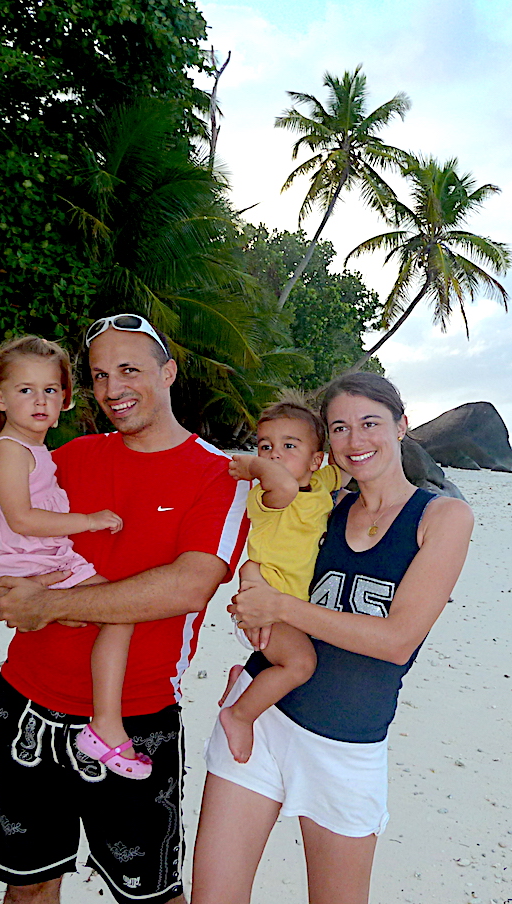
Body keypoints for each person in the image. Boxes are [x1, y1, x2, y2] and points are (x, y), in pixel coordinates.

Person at [0, 314, 248, 904]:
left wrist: (51, 602)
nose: (113, 388)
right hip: (27, 705)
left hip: (135, 721)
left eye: (129, 370)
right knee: (27, 889)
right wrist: (2, 592)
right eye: (99, 376)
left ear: (168, 372)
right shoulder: (70, 456)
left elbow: (188, 586)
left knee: (150, 897)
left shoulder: (217, 476)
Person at [191, 372, 474, 904]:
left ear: (402, 426)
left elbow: (396, 641)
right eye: (340, 428)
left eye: (370, 423)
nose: (355, 440)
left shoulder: (441, 517)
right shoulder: (324, 504)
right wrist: (253, 587)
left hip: (346, 745)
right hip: (262, 719)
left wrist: (278, 606)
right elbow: (267, 547)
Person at [0, 335, 150, 780]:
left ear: (64, 398)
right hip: (27, 555)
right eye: (25, 390)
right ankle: (105, 725)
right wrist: (89, 521)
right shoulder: (10, 452)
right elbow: (22, 519)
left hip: (34, 556)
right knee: (118, 611)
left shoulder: (34, 450)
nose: (39, 400)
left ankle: (100, 715)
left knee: (103, 611)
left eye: (50, 390)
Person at [218, 398, 338, 763]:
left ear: (315, 460)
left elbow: (344, 470)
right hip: (264, 609)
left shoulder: (320, 483)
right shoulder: (267, 496)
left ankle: (242, 681)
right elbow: (284, 486)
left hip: (287, 607)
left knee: (292, 659)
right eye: (265, 446)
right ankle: (239, 715)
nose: (274, 454)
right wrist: (254, 466)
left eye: (289, 446)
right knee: (301, 665)